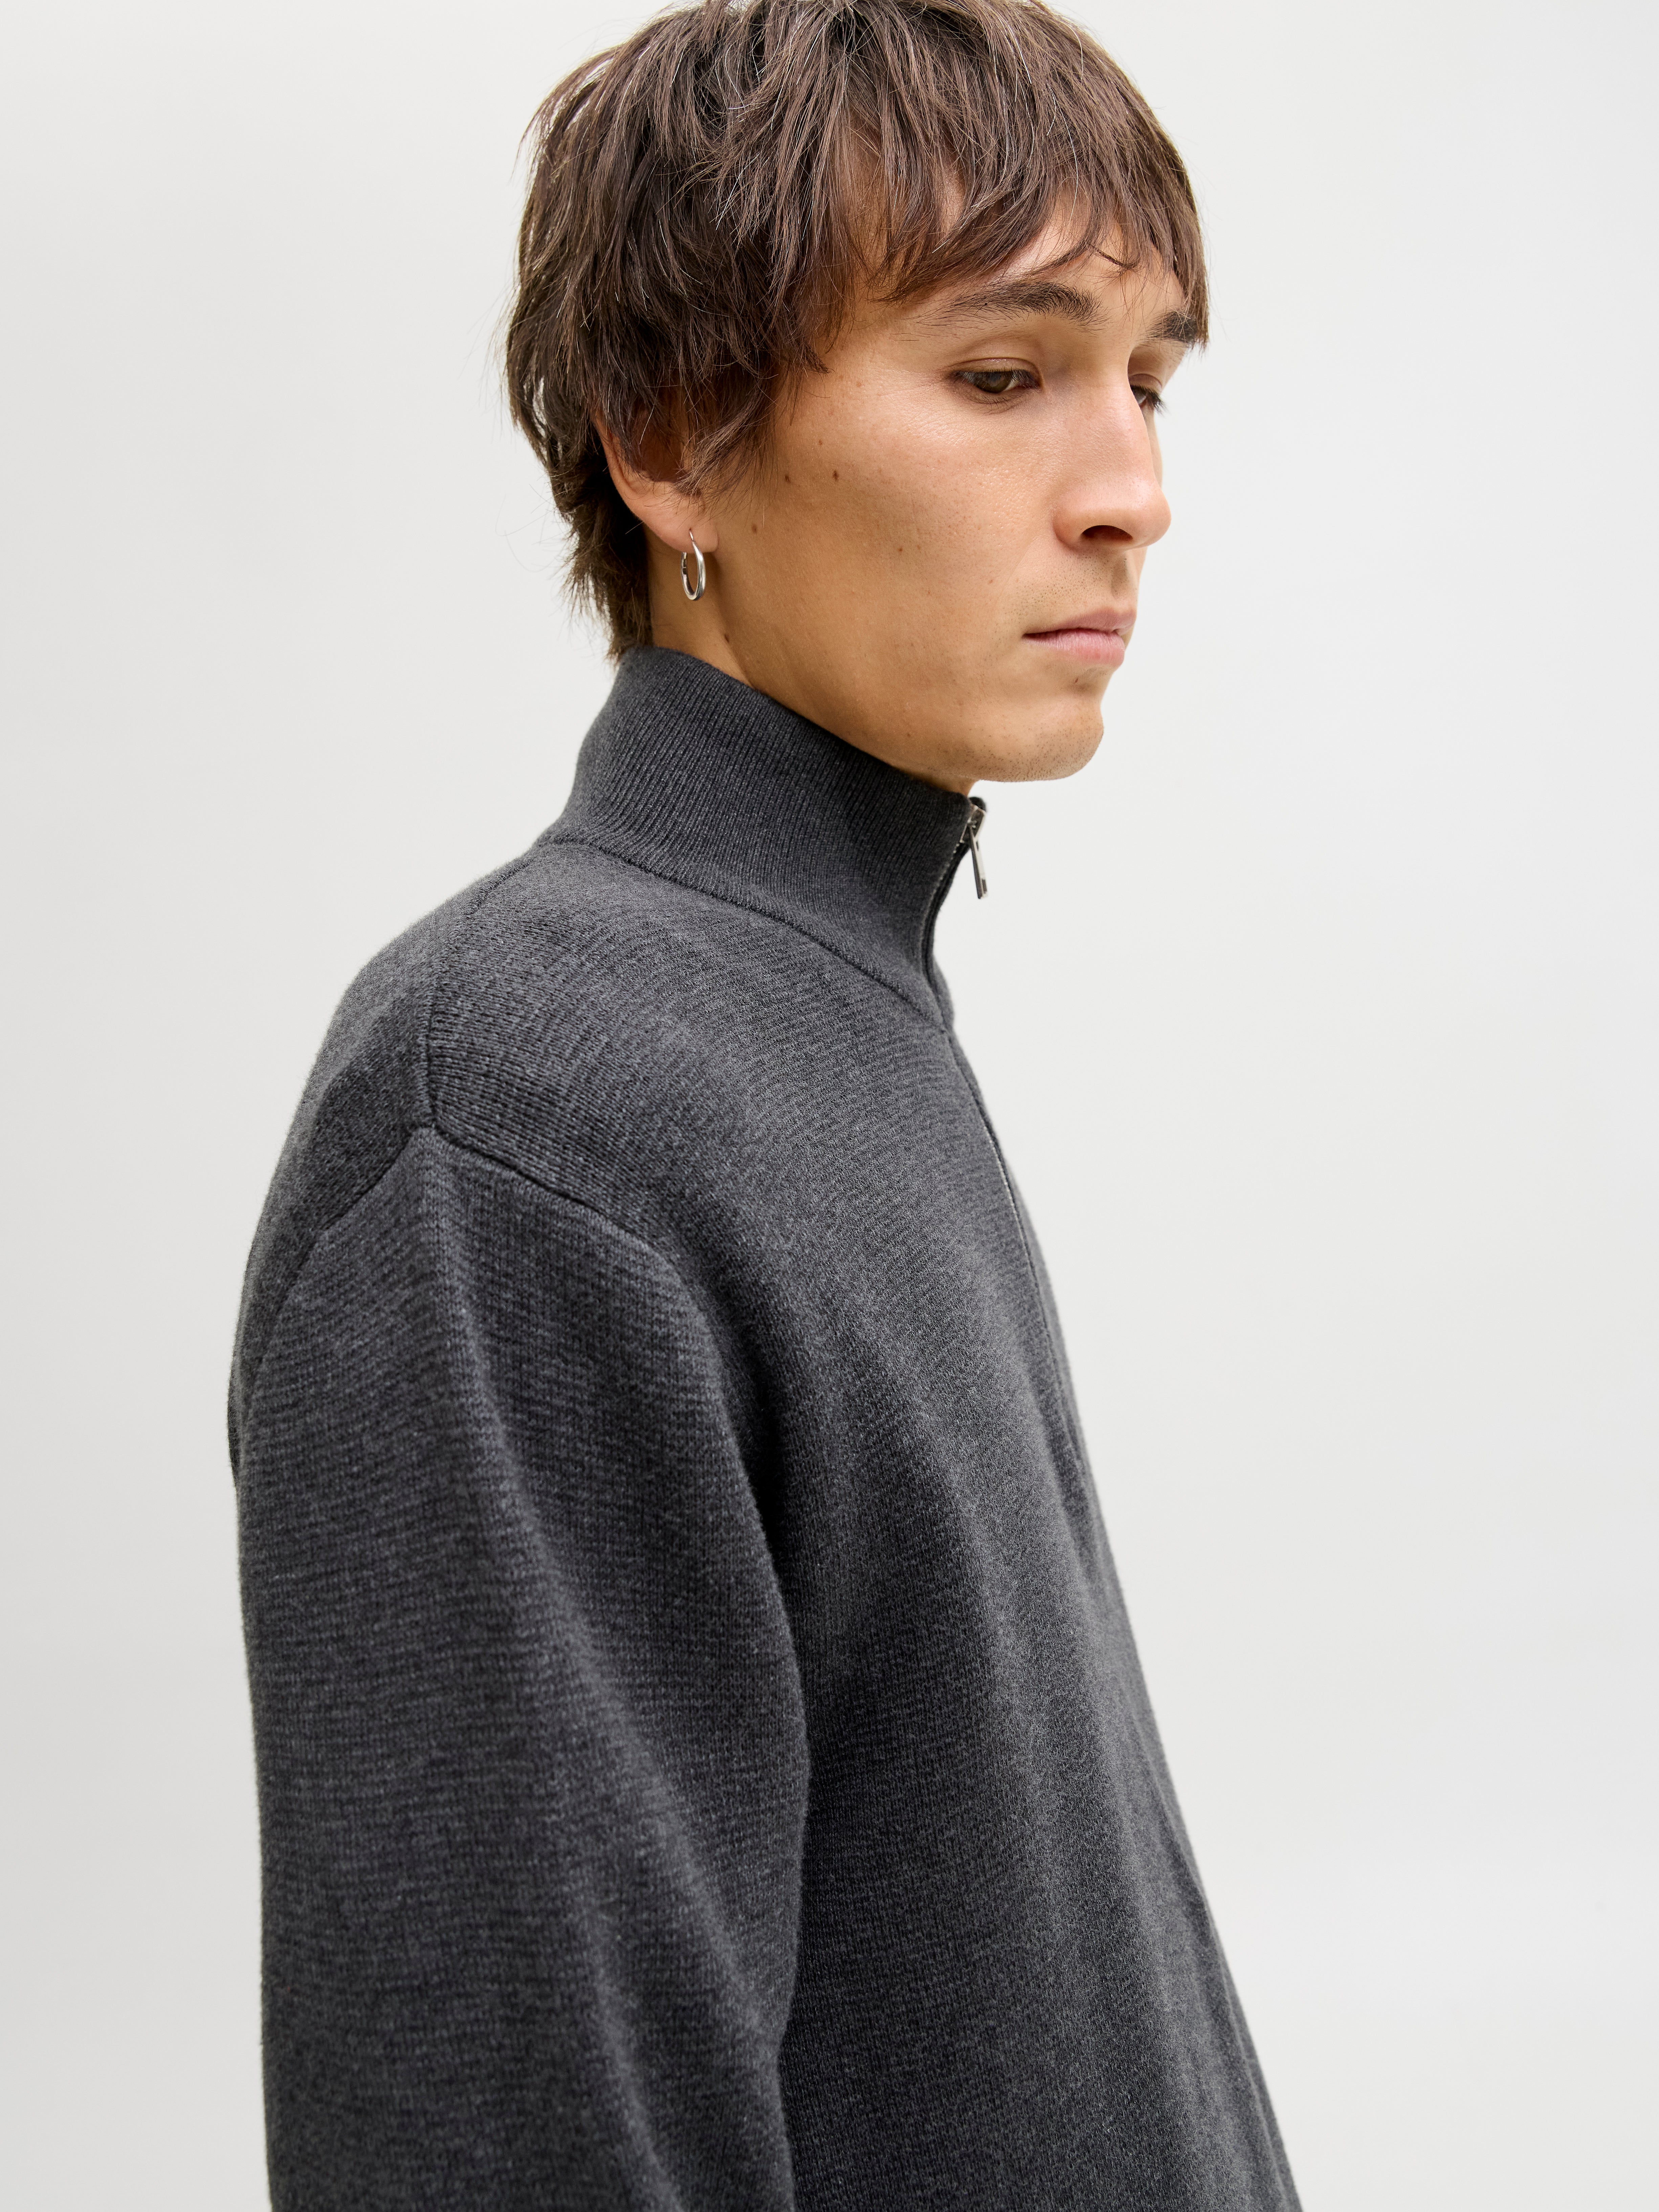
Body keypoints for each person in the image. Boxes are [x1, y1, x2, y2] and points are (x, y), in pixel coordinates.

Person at [228, 1, 1301, 2205]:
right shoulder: (513, 1109)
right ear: (668, 437)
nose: (1131, 489)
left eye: (1148, 379)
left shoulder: (816, 1019)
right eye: (1001, 375)